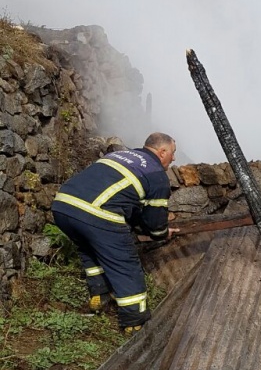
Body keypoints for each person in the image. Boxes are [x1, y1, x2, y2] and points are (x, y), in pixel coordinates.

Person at [51, 132, 178, 332]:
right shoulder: (156, 174)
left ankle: (99, 296)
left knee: (90, 249)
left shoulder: (120, 156)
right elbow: (154, 222)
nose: (174, 158)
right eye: (173, 153)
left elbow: (131, 206)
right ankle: (134, 321)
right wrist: (162, 233)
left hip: (63, 206)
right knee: (124, 262)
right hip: (95, 212)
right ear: (162, 152)